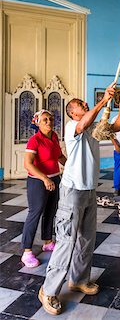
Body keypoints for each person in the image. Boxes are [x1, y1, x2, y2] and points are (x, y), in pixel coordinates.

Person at [38, 83, 120, 316]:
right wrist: (102, 101)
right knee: (67, 240)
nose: (85, 104)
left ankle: (78, 279)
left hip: (89, 190)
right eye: (81, 104)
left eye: (85, 103)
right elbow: (84, 123)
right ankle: (48, 290)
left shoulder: (91, 129)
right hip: (72, 192)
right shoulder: (72, 127)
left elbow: (115, 127)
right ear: (72, 112)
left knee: (86, 239)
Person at [21, 110, 66, 268]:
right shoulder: (35, 140)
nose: (49, 121)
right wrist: (44, 178)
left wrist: (71, 168)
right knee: (35, 213)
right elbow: (28, 164)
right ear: (37, 123)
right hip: (38, 181)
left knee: (50, 211)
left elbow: (59, 156)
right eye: (45, 119)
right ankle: (27, 252)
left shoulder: (53, 136)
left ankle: (47, 242)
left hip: (54, 178)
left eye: (51, 119)